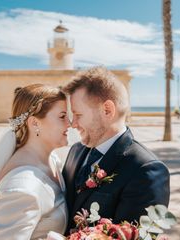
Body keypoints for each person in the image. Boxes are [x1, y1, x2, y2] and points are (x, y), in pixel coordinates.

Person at [62, 67, 170, 232]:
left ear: (107, 110)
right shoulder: (75, 152)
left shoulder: (146, 170)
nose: (73, 123)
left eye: (78, 115)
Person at [0, 84, 70, 240]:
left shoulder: (52, 160)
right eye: (62, 116)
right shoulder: (21, 189)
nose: (70, 123)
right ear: (34, 123)